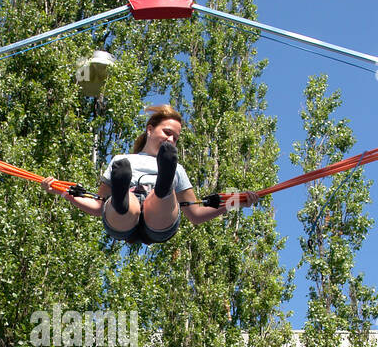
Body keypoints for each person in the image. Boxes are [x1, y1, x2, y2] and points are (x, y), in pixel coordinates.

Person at [41, 104, 258, 245]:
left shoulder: (178, 170)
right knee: (126, 196)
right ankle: (124, 197)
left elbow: (195, 214)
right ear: (150, 129)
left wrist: (235, 202)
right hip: (122, 219)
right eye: (167, 133)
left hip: (160, 222)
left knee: (163, 194)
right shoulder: (122, 160)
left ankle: (163, 186)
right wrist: (64, 192)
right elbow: (98, 206)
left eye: (176, 138)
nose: (171, 139)